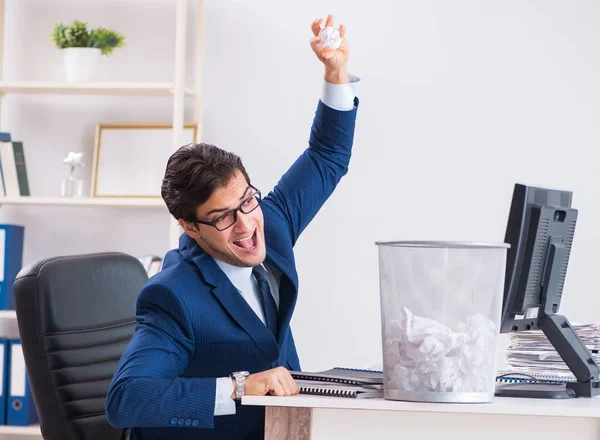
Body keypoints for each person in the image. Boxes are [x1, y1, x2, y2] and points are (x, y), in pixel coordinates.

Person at [105, 13, 360, 440]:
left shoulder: (269, 223)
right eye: (223, 216)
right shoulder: (173, 296)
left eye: (246, 200)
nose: (245, 225)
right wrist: (240, 387)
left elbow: (327, 157)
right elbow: (126, 399)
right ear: (190, 227)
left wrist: (335, 73)